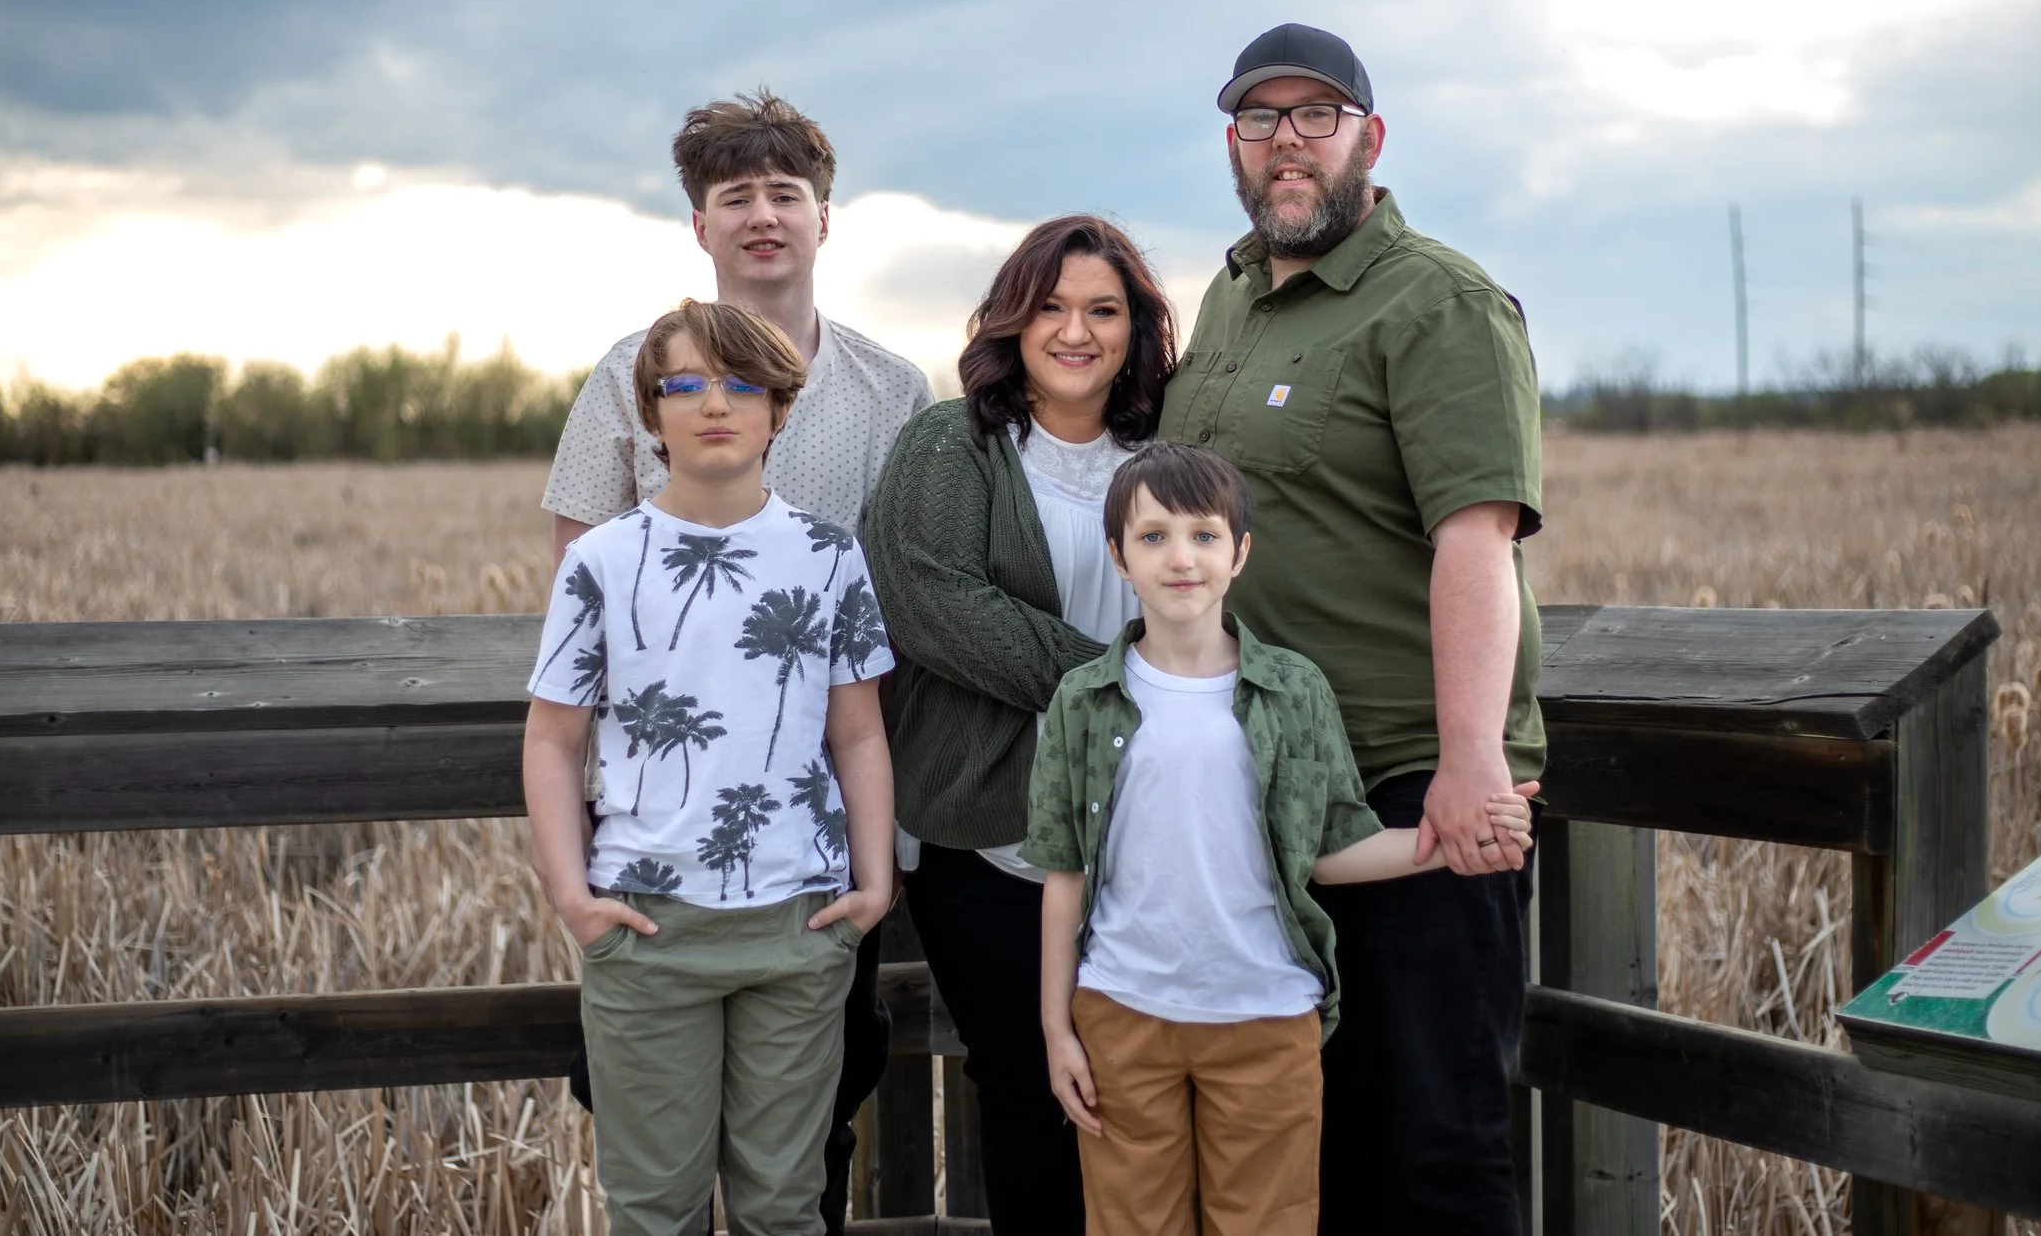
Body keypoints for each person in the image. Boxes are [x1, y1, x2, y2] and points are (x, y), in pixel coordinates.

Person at [1159, 23, 1549, 1235]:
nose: (1287, 140)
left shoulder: (1437, 299)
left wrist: (1472, 757)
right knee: (1293, 1147)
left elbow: (1475, 539)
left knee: (1427, 1145)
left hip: (1403, 787)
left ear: (1367, 140)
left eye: (1314, 116)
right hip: (1252, 796)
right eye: (1260, 118)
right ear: (1233, 143)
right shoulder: (1224, 302)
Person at [542, 89, 933, 1232]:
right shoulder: (629, 372)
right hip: (657, 845)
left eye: (785, 194)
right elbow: (582, 589)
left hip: (812, 853)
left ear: (823, 217)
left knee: (806, 1136)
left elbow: (895, 601)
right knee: (655, 1167)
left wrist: (872, 865)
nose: (763, 216)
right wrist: (580, 869)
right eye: (734, 197)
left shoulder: (890, 387)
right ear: (701, 226)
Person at [1023, 443, 1536, 1236]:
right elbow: (1063, 872)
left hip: (1266, 1016)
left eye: (1204, 534)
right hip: (1122, 1012)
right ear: (1118, 555)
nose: (1181, 556)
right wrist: (1059, 1027)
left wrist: (1453, 835)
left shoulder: (1293, 690)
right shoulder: (1083, 701)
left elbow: (1329, 847)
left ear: (1241, 552)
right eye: (1153, 536)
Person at [862, 215, 1178, 1236]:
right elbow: (926, 600)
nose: (1075, 330)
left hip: (1145, 825)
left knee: (1143, 1084)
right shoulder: (951, 443)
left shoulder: (1167, 454)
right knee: (1031, 1085)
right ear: (1011, 317)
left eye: (1102, 308)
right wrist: (1124, 683)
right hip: (984, 834)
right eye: (1049, 306)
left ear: (1135, 328)